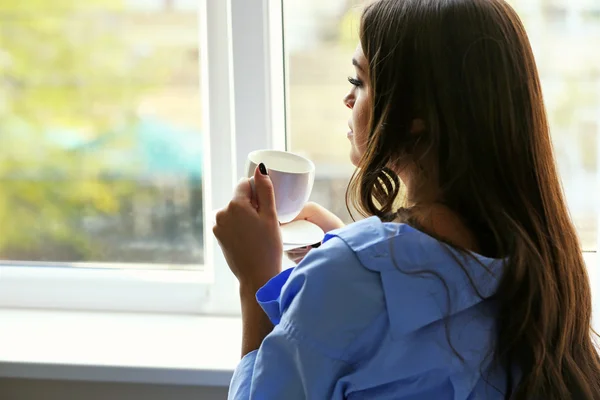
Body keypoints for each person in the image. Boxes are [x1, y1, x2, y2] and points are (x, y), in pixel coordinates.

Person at [212, 0, 600, 398]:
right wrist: (352, 248)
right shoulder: (543, 265)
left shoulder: (343, 279)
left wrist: (254, 278)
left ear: (415, 112)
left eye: (359, 81)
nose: (348, 100)